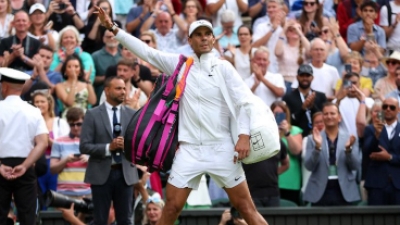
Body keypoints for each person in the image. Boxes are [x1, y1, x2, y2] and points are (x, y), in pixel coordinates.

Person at [96, 7, 269, 225]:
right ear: (189, 40)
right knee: (171, 208)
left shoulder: (224, 68)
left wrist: (244, 135)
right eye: (198, 34)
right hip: (188, 150)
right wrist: (113, 28)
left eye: (207, 34)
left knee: (246, 208)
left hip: (222, 148)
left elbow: (245, 102)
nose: (204, 38)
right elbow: (147, 52)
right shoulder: (180, 65)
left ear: (213, 39)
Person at [80, 76, 140, 224]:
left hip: (125, 174)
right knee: (100, 220)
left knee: (125, 220)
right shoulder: (92, 114)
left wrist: (126, 145)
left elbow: (139, 145)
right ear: (107, 91)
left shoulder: (132, 114)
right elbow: (84, 146)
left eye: (124, 88)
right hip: (101, 174)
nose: (123, 92)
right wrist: (108, 147)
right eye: (118, 88)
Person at [0, 68, 48, 224]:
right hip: (25, 167)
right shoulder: (34, 111)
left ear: (4, 87)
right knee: (28, 217)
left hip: (1, 166)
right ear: (20, 88)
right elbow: (42, 143)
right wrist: (26, 165)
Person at [304, 102, 361, 206]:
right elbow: (309, 166)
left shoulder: (350, 138)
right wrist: (317, 147)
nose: (329, 116)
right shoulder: (312, 139)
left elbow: (355, 166)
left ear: (339, 117)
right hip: (319, 190)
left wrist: (348, 150)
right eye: (326, 114)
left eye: (332, 113)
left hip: (344, 190)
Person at [32, 92, 70, 204]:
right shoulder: (30, 122)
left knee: (54, 197)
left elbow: (65, 148)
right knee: (38, 197)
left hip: (55, 165)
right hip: (36, 165)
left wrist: (48, 141)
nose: (39, 104)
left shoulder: (60, 123)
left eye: (42, 101)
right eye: (36, 102)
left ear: (49, 103)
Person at [363, 97, 400, 205]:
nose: (388, 109)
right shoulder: (370, 129)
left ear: (398, 110)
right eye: (385, 107)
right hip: (376, 184)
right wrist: (377, 135)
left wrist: (389, 157)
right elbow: (367, 152)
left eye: (392, 107)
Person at [283, 64, 327, 137]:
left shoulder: (320, 96)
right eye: (302, 76)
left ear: (312, 78)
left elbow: (324, 118)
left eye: (307, 76)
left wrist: (312, 106)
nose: (305, 78)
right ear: (297, 77)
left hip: (319, 134)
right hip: (297, 136)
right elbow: (289, 121)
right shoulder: (288, 97)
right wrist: (303, 109)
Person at [243, 139, 289, 207]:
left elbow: (286, 164)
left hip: (273, 192)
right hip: (251, 192)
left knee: (274, 217)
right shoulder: (245, 141)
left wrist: (272, 173)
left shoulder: (277, 141)